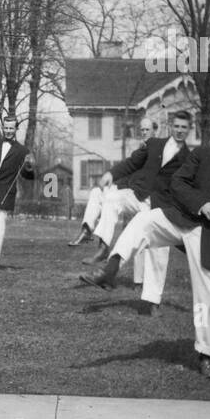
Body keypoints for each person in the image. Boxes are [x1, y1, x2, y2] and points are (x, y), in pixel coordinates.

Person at [79, 105, 210, 378]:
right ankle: (111, 269)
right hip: (183, 219)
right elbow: (178, 183)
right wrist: (201, 203)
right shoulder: (203, 154)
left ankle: (204, 354)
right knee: (145, 220)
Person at [84, 110, 193, 315]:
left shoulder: (189, 158)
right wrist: (111, 173)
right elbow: (132, 163)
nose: (179, 130)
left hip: (163, 209)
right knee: (112, 199)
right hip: (140, 197)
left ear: (189, 129)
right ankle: (104, 249)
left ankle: (152, 303)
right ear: (170, 126)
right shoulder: (153, 145)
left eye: (184, 127)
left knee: (158, 254)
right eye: (176, 126)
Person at [70, 118, 156, 247]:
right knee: (96, 192)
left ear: (154, 131)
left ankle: (103, 243)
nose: (144, 132)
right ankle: (87, 231)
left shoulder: (159, 151)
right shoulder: (141, 150)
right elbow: (129, 167)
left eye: (147, 130)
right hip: (128, 192)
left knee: (144, 248)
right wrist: (112, 178)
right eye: (142, 130)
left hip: (145, 199)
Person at [0, 115, 35, 271]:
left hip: (5, 191)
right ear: (2, 127)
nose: (9, 131)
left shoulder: (22, 151)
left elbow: (28, 176)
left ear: (16, 129)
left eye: (12, 128)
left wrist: (30, 166)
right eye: (6, 127)